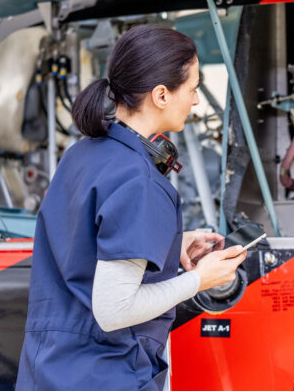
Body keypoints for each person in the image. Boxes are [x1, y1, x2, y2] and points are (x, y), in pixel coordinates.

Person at [16, 25, 247, 390]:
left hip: (49, 371)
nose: (196, 100)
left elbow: (82, 246)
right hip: (106, 375)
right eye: (192, 89)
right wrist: (200, 279)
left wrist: (169, 245)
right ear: (160, 95)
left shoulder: (81, 154)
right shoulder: (140, 181)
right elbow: (114, 311)